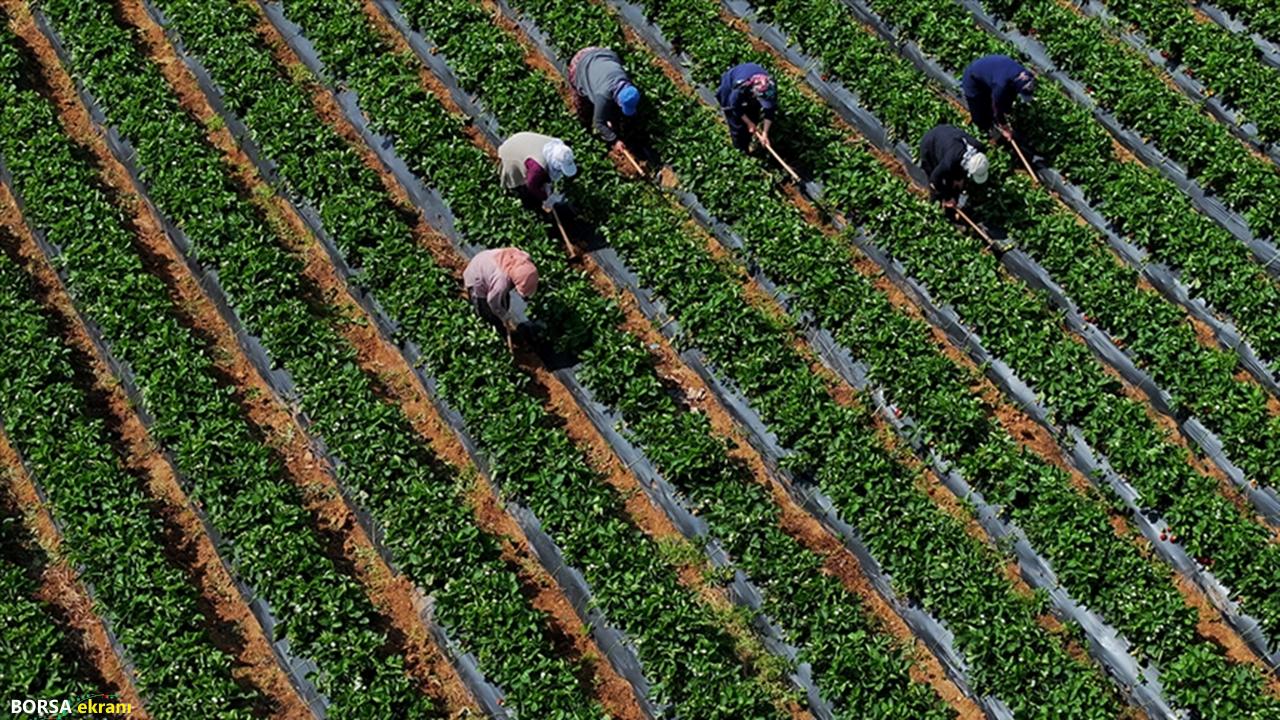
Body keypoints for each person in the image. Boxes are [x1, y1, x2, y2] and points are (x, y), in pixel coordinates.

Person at [463, 248, 539, 351]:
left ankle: (504, 327)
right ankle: (499, 335)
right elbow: (492, 301)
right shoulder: (501, 282)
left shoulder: (524, 260)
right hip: (476, 277)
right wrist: (503, 316)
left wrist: (504, 312)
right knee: (488, 313)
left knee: (504, 302)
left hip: (487, 263)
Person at [569, 47, 641, 149]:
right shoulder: (602, 95)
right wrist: (614, 140)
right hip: (580, 63)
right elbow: (598, 123)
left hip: (602, 54)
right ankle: (584, 127)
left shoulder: (625, 80)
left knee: (608, 109)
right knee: (583, 105)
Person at [961, 54, 1035, 140]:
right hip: (973, 79)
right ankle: (987, 128)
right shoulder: (1001, 86)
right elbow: (997, 106)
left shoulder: (1027, 75)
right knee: (980, 114)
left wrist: (1007, 108)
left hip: (992, 74)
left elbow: (1010, 93)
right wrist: (1004, 127)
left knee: (1005, 101)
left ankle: (1002, 114)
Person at [498, 132, 577, 210]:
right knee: (523, 188)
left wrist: (547, 184)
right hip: (511, 151)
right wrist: (546, 197)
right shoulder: (537, 167)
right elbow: (531, 185)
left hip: (521, 140)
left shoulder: (557, 146)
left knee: (538, 178)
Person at [919, 124, 988, 210]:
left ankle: (953, 191)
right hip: (929, 145)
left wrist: (959, 179)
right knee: (936, 182)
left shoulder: (979, 147)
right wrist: (947, 197)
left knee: (954, 178)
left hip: (947, 131)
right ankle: (934, 206)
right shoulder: (949, 162)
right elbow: (934, 180)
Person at [716, 62, 777, 152]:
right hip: (730, 84)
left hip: (750, 83)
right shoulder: (740, 87)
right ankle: (740, 148)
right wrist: (748, 123)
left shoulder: (770, 87)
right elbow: (735, 106)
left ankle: (749, 137)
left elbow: (770, 111)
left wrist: (765, 133)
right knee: (736, 121)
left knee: (753, 113)